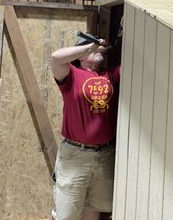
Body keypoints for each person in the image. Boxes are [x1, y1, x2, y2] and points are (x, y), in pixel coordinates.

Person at [50, 32, 120, 220]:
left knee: (94, 209)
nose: (97, 49)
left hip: (104, 154)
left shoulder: (110, 74)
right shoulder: (72, 75)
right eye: (91, 46)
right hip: (75, 155)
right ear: (80, 55)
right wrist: (90, 47)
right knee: (67, 213)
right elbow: (56, 57)